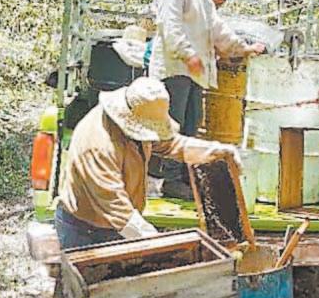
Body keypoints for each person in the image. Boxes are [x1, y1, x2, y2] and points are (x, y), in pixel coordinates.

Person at [54, 76, 240, 249]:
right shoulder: (98, 147)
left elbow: (171, 143)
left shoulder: (135, 116)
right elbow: (117, 210)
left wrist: (217, 151)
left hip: (116, 223)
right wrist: (159, 244)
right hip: (85, 231)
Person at [149, 0, 264, 199]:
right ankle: (169, 179)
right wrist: (188, 54)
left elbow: (216, 26)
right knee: (173, 125)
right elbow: (169, 24)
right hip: (175, 68)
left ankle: (185, 178)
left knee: (191, 125)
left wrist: (240, 47)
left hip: (193, 71)